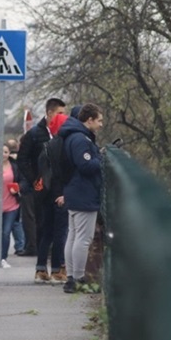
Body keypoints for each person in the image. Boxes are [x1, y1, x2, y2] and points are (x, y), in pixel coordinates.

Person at [59, 103, 103, 293]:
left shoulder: (72, 135)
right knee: (83, 239)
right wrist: (100, 159)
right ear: (89, 120)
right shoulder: (81, 139)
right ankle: (77, 278)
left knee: (73, 235)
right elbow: (85, 165)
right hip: (84, 192)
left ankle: (72, 276)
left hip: (74, 190)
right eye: (99, 120)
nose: (101, 124)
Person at [16, 98, 67, 256]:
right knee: (40, 222)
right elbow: (22, 159)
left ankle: (54, 256)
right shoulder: (34, 134)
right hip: (39, 186)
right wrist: (34, 179)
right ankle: (40, 256)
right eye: (60, 113)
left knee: (56, 224)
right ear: (50, 113)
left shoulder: (63, 133)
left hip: (58, 185)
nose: (63, 117)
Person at [34, 113, 70, 284]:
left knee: (47, 232)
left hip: (46, 194)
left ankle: (41, 268)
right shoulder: (65, 145)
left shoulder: (47, 145)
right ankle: (57, 269)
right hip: (60, 194)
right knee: (60, 233)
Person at [5, 138, 26, 254]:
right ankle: (20, 245)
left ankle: (19, 245)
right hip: (12, 196)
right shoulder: (19, 161)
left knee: (14, 224)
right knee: (17, 223)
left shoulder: (13, 165)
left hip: (11, 197)